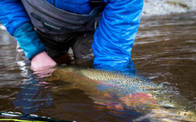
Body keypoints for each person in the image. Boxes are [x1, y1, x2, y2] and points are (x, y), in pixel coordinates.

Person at [0, 0, 143, 74]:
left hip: (91, 31)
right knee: (33, 76)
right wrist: (35, 52)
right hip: (37, 29)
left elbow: (113, 53)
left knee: (102, 72)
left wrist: (112, 84)